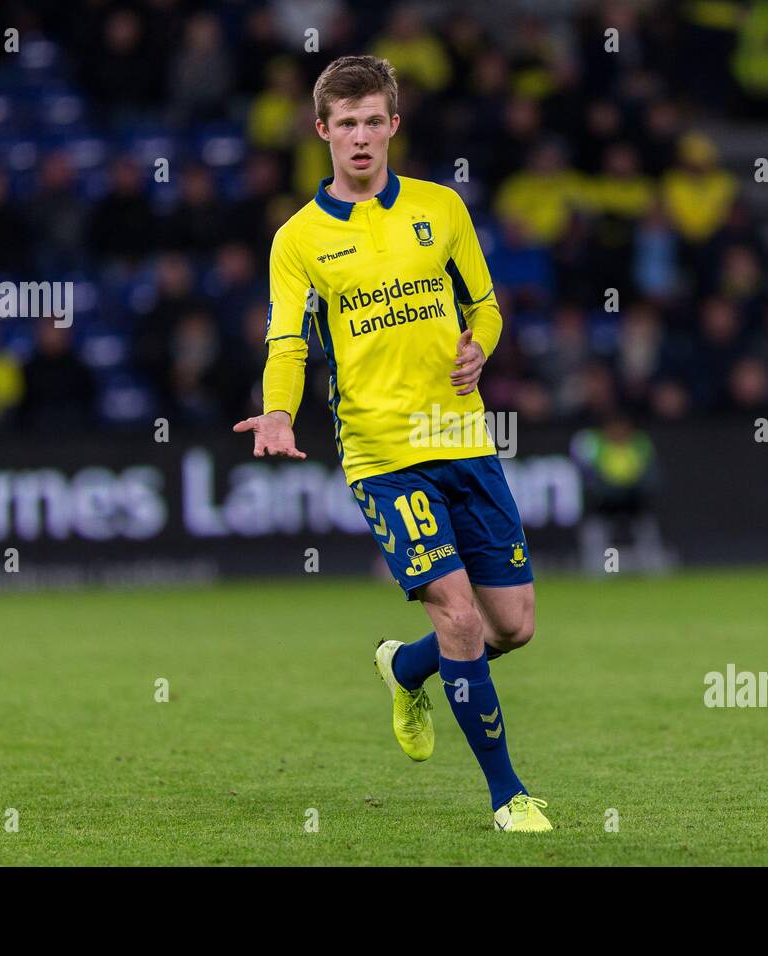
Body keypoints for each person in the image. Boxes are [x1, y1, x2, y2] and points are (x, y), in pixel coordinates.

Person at [234, 55, 550, 832]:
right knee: (462, 619)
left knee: (513, 625)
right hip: (382, 453)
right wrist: (277, 412)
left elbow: (486, 305)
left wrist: (481, 345)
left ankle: (404, 668)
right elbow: (287, 340)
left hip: (462, 438)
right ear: (322, 132)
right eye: (347, 124)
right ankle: (509, 796)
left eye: (374, 120)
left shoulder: (441, 209)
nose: (362, 137)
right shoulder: (298, 239)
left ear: (394, 126)